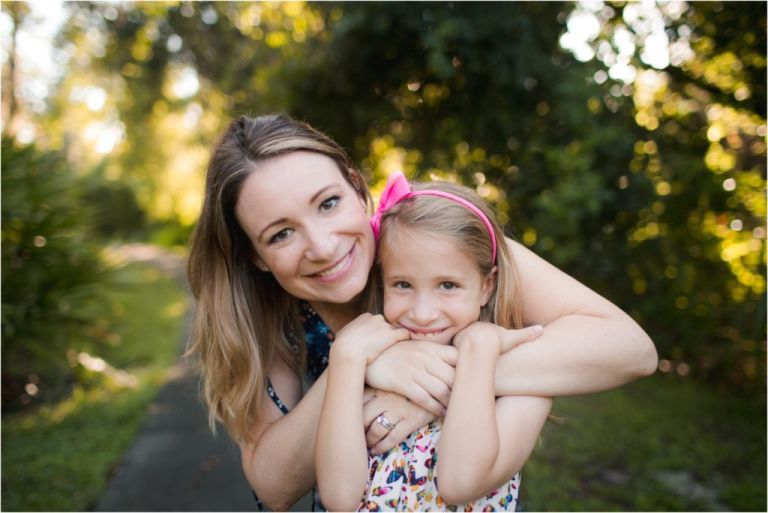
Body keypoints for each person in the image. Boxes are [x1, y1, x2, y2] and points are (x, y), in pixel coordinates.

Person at [186, 114, 657, 511]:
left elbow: (630, 349)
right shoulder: (272, 313)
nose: (323, 246)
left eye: (328, 203)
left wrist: (434, 384)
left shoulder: (440, 243)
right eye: (281, 234)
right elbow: (273, 486)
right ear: (255, 256)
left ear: (356, 186)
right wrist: (358, 368)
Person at [316, 173, 552, 511]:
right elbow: (339, 498)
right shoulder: (378, 363)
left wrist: (478, 350)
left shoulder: (525, 382)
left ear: (486, 286)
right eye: (402, 285)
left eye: (448, 285)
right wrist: (345, 359)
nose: (423, 314)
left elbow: (459, 484)